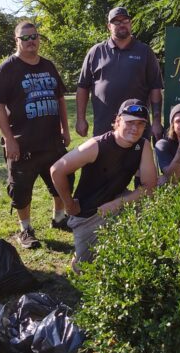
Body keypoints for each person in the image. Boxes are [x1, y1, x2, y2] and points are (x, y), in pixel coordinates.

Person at [0, 21, 73, 249]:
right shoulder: (7, 68)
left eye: (34, 36)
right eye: (24, 38)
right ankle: (25, 229)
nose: (30, 41)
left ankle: (59, 218)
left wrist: (65, 129)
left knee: (61, 182)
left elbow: (60, 99)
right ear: (16, 41)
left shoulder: (48, 66)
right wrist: (9, 140)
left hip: (52, 141)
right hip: (22, 144)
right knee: (21, 190)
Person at [51, 99, 158, 269]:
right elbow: (57, 170)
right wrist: (69, 204)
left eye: (140, 124)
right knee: (84, 269)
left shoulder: (143, 145)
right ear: (117, 121)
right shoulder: (96, 145)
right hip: (89, 213)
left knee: (150, 208)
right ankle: (81, 255)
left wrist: (116, 204)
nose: (135, 128)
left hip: (117, 201)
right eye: (129, 122)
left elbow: (150, 187)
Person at [76, 7, 164, 140]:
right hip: (103, 127)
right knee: (104, 160)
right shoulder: (96, 52)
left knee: (138, 160)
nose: (122, 24)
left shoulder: (145, 51)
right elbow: (82, 87)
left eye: (125, 20)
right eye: (116, 22)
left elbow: (155, 87)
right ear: (109, 26)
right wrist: (80, 119)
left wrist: (156, 121)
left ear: (131, 23)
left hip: (137, 126)